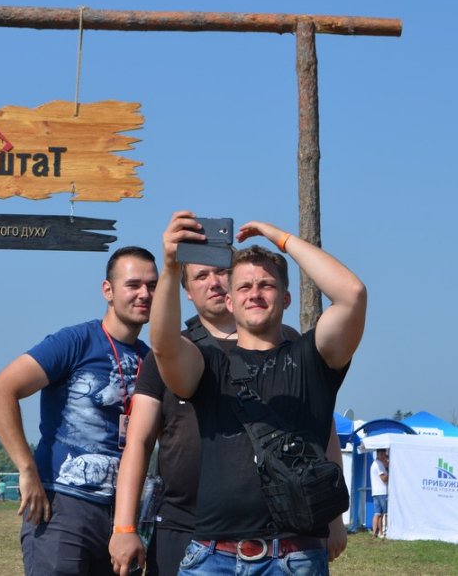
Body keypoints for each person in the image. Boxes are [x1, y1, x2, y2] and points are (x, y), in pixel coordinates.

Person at [149, 212, 367, 575]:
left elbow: (352, 295)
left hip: (293, 558)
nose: (254, 293)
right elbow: (163, 345)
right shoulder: (209, 365)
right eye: (244, 287)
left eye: (266, 285)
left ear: (286, 298)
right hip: (211, 558)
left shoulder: (313, 359)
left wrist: (281, 238)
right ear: (230, 302)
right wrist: (171, 266)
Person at [109, 262, 347, 575]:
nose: (214, 282)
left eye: (221, 271)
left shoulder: (287, 342)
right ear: (187, 291)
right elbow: (138, 442)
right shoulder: (168, 353)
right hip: (181, 523)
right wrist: (124, 526)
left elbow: (320, 431)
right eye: (200, 276)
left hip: (280, 531)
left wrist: (333, 518)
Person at [0, 246, 158, 575]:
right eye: (133, 285)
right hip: (63, 507)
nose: (144, 294)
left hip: (123, 516)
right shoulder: (75, 342)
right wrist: (26, 469)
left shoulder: (151, 360)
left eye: (152, 286)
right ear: (108, 290)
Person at [370, 449, 389, 538]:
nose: (384, 457)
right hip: (382, 491)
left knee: (377, 513)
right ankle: (383, 533)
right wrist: (391, 471)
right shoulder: (379, 464)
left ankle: (375, 533)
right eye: (383, 455)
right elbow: (384, 478)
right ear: (379, 454)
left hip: (376, 492)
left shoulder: (374, 464)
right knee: (384, 513)